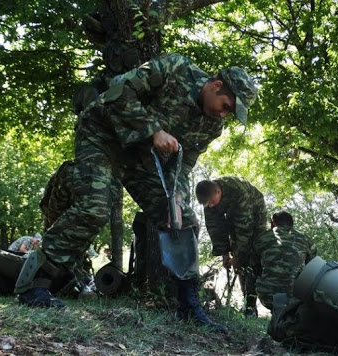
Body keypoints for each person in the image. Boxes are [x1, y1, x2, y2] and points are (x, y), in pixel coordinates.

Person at [14, 53, 257, 331]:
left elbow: (184, 162)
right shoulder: (176, 68)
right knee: (95, 206)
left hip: (143, 159)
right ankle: (34, 285)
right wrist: (153, 130)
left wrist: (176, 199)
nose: (223, 114)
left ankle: (189, 307)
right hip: (103, 136)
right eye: (226, 106)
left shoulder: (213, 125)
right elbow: (119, 91)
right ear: (215, 86)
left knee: (183, 220)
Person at [196, 177, 301, 317]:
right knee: (239, 260)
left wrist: (237, 256)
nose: (210, 206)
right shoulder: (209, 199)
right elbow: (215, 229)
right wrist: (225, 254)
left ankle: (253, 305)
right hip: (235, 218)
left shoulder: (239, 193)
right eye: (207, 205)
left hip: (255, 216)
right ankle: (248, 305)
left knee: (252, 256)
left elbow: (244, 230)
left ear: (218, 191)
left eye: (212, 202)